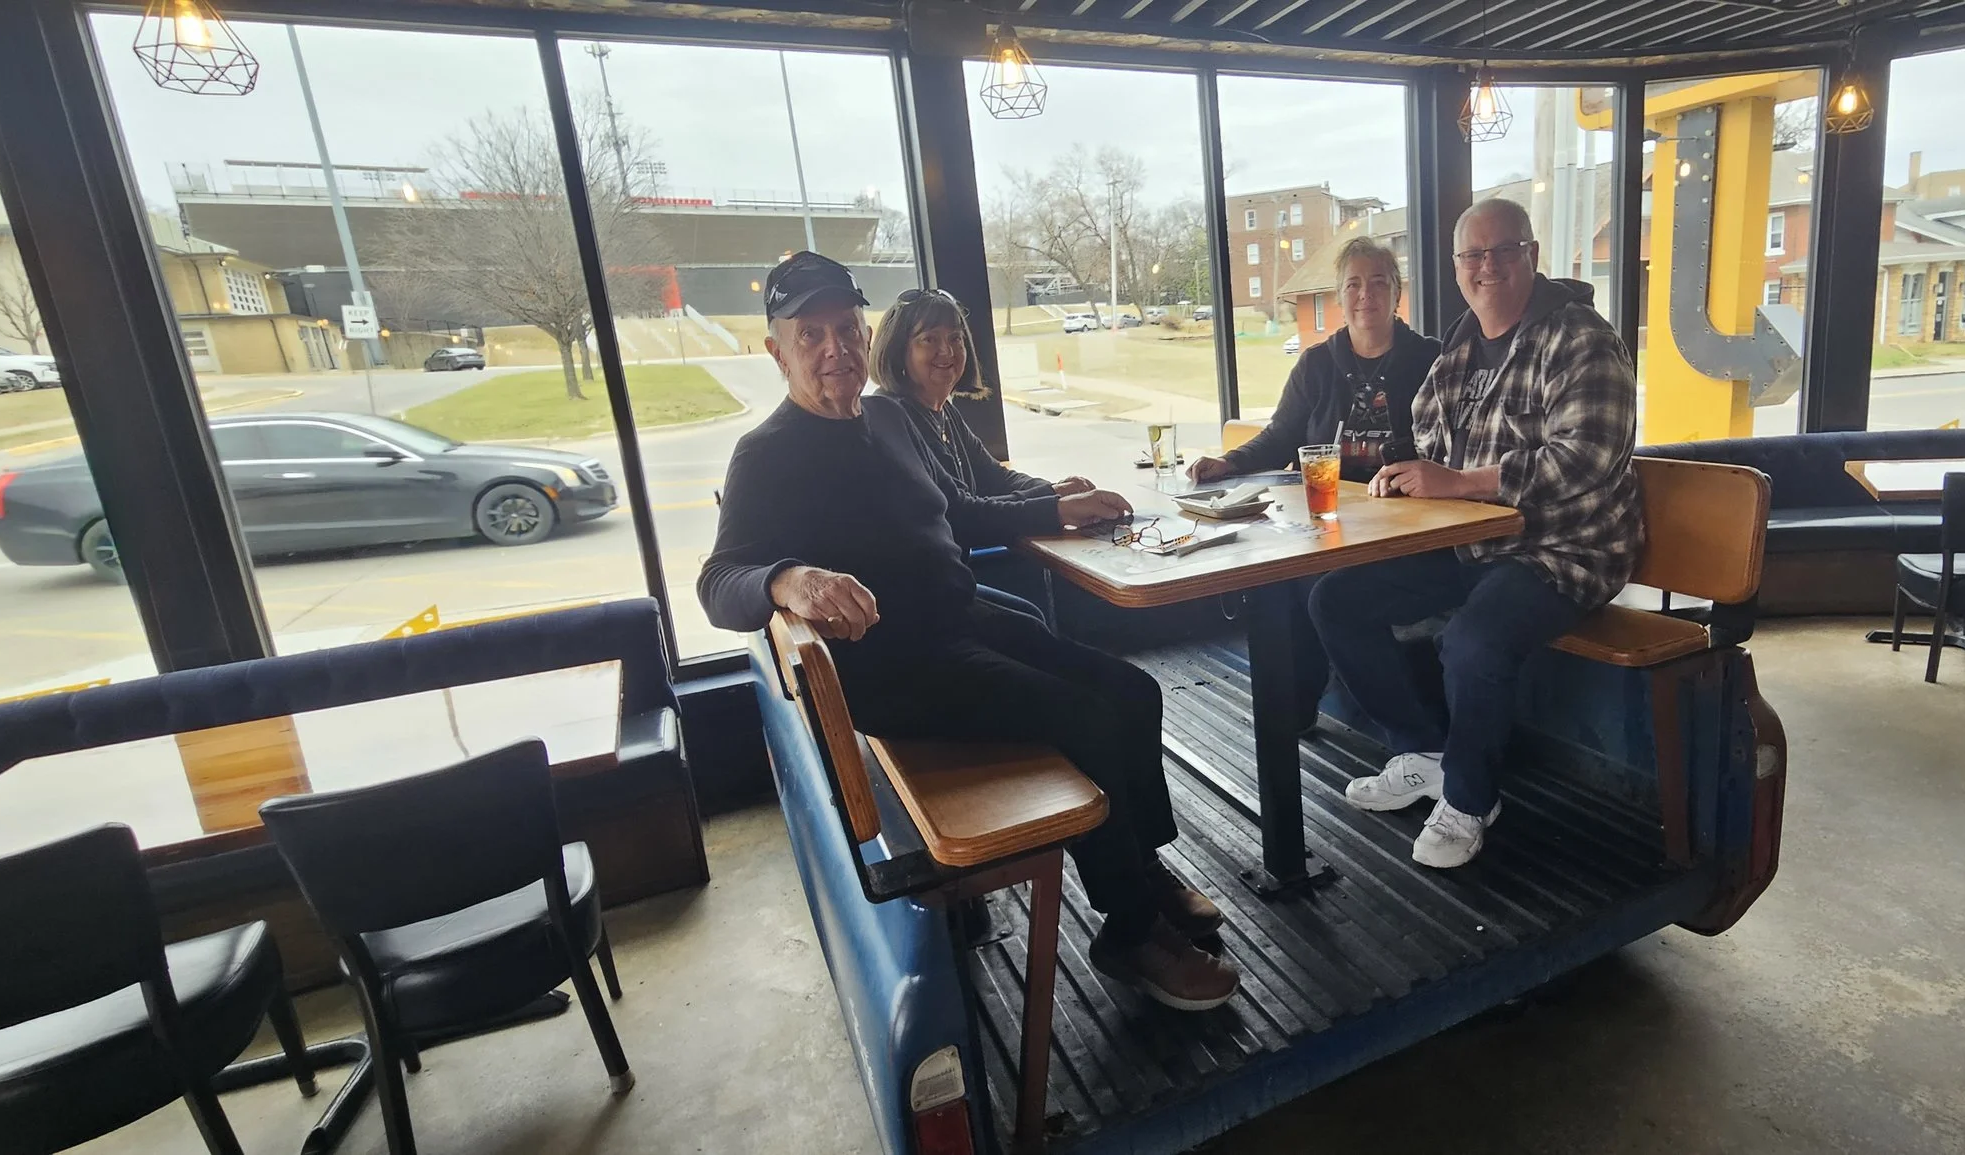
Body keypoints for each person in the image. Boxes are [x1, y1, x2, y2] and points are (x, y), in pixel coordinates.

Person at [699, 252, 1240, 1010]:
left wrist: (1055, 507)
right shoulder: (766, 454)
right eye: (811, 334)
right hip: (895, 666)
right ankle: (1130, 929)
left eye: (847, 330)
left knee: (1132, 688)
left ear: (864, 334)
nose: (835, 350)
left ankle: (1140, 867)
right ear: (776, 350)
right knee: (1082, 715)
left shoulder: (888, 416)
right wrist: (789, 578)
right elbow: (719, 582)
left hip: (960, 618)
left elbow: (959, 505)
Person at [1310, 198, 1641, 869]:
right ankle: (1425, 750)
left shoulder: (1583, 338)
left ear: (1532, 255)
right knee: (1335, 599)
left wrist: (1460, 482)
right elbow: (1428, 427)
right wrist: (1404, 473)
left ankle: (1469, 797)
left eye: (1502, 250)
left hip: (1564, 550)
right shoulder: (1462, 343)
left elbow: (1589, 454)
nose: (1486, 266)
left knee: (1473, 638)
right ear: (1458, 267)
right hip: (1475, 542)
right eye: (1472, 255)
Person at [870, 286, 1099, 621]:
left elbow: (995, 477)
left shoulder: (942, 412)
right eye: (929, 339)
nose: (946, 350)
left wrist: (1056, 488)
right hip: (916, 607)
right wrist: (1055, 506)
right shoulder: (893, 418)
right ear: (898, 350)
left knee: (1032, 618)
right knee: (1037, 627)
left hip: (950, 585)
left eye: (956, 338)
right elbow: (960, 515)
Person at [1186, 235, 1438, 486]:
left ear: (1396, 295)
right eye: (1352, 284)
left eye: (1379, 282)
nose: (1365, 294)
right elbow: (1280, 438)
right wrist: (1228, 462)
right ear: (1339, 297)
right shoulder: (1316, 364)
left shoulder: (1432, 360)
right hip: (1327, 503)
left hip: (1406, 507)